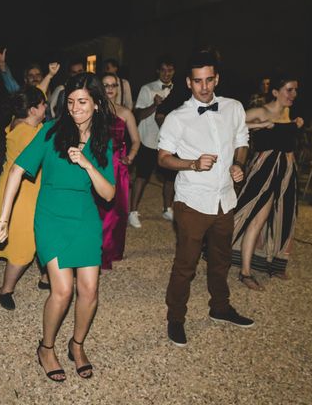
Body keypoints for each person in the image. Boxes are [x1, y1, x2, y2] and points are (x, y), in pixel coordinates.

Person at [0, 72, 115, 381]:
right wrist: (4, 219)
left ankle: (76, 345)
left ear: (98, 104)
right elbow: (17, 171)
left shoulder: (103, 140)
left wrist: (88, 164)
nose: (76, 108)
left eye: (83, 102)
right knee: (61, 291)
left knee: (89, 290)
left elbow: (108, 193)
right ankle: (46, 348)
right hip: (50, 217)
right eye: (71, 102)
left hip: (84, 217)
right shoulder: (50, 132)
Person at [157, 49, 254, 347]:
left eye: (209, 80)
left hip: (225, 200)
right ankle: (176, 319)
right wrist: (191, 163)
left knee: (221, 259)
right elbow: (162, 159)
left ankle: (220, 308)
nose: (204, 87)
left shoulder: (234, 108)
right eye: (198, 81)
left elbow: (242, 141)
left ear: (217, 79)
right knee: (185, 264)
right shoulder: (177, 118)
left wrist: (239, 164)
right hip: (193, 201)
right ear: (188, 82)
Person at [230, 75, 303, 289]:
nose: (293, 95)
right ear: (275, 92)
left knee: (283, 217)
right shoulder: (261, 111)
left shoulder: (289, 113)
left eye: (295, 90)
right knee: (256, 217)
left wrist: (296, 124)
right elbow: (232, 123)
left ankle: (274, 263)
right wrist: (259, 124)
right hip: (265, 171)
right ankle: (245, 272)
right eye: (289, 90)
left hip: (287, 171)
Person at [0, 87, 47, 310]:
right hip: (21, 193)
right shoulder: (29, 134)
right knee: (23, 246)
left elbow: (36, 95)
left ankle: (46, 278)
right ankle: (5, 289)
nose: (46, 107)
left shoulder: (23, 121)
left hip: (27, 188)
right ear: (33, 110)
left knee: (43, 234)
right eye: (43, 104)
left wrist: (49, 77)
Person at [129, 54, 180, 227]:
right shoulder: (147, 88)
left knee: (170, 178)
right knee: (142, 176)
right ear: (158, 70)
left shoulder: (178, 90)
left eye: (170, 70)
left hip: (169, 142)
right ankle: (133, 211)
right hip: (148, 140)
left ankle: (168, 209)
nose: (167, 73)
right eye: (164, 70)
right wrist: (155, 105)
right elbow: (138, 115)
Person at [98, 72, 140, 269]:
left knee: (117, 211)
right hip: (97, 164)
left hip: (118, 167)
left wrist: (129, 157)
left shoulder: (125, 113)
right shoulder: (94, 110)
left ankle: (112, 251)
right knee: (97, 210)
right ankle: (95, 250)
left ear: (118, 87)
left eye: (113, 85)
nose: (110, 89)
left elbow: (136, 141)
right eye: (105, 85)